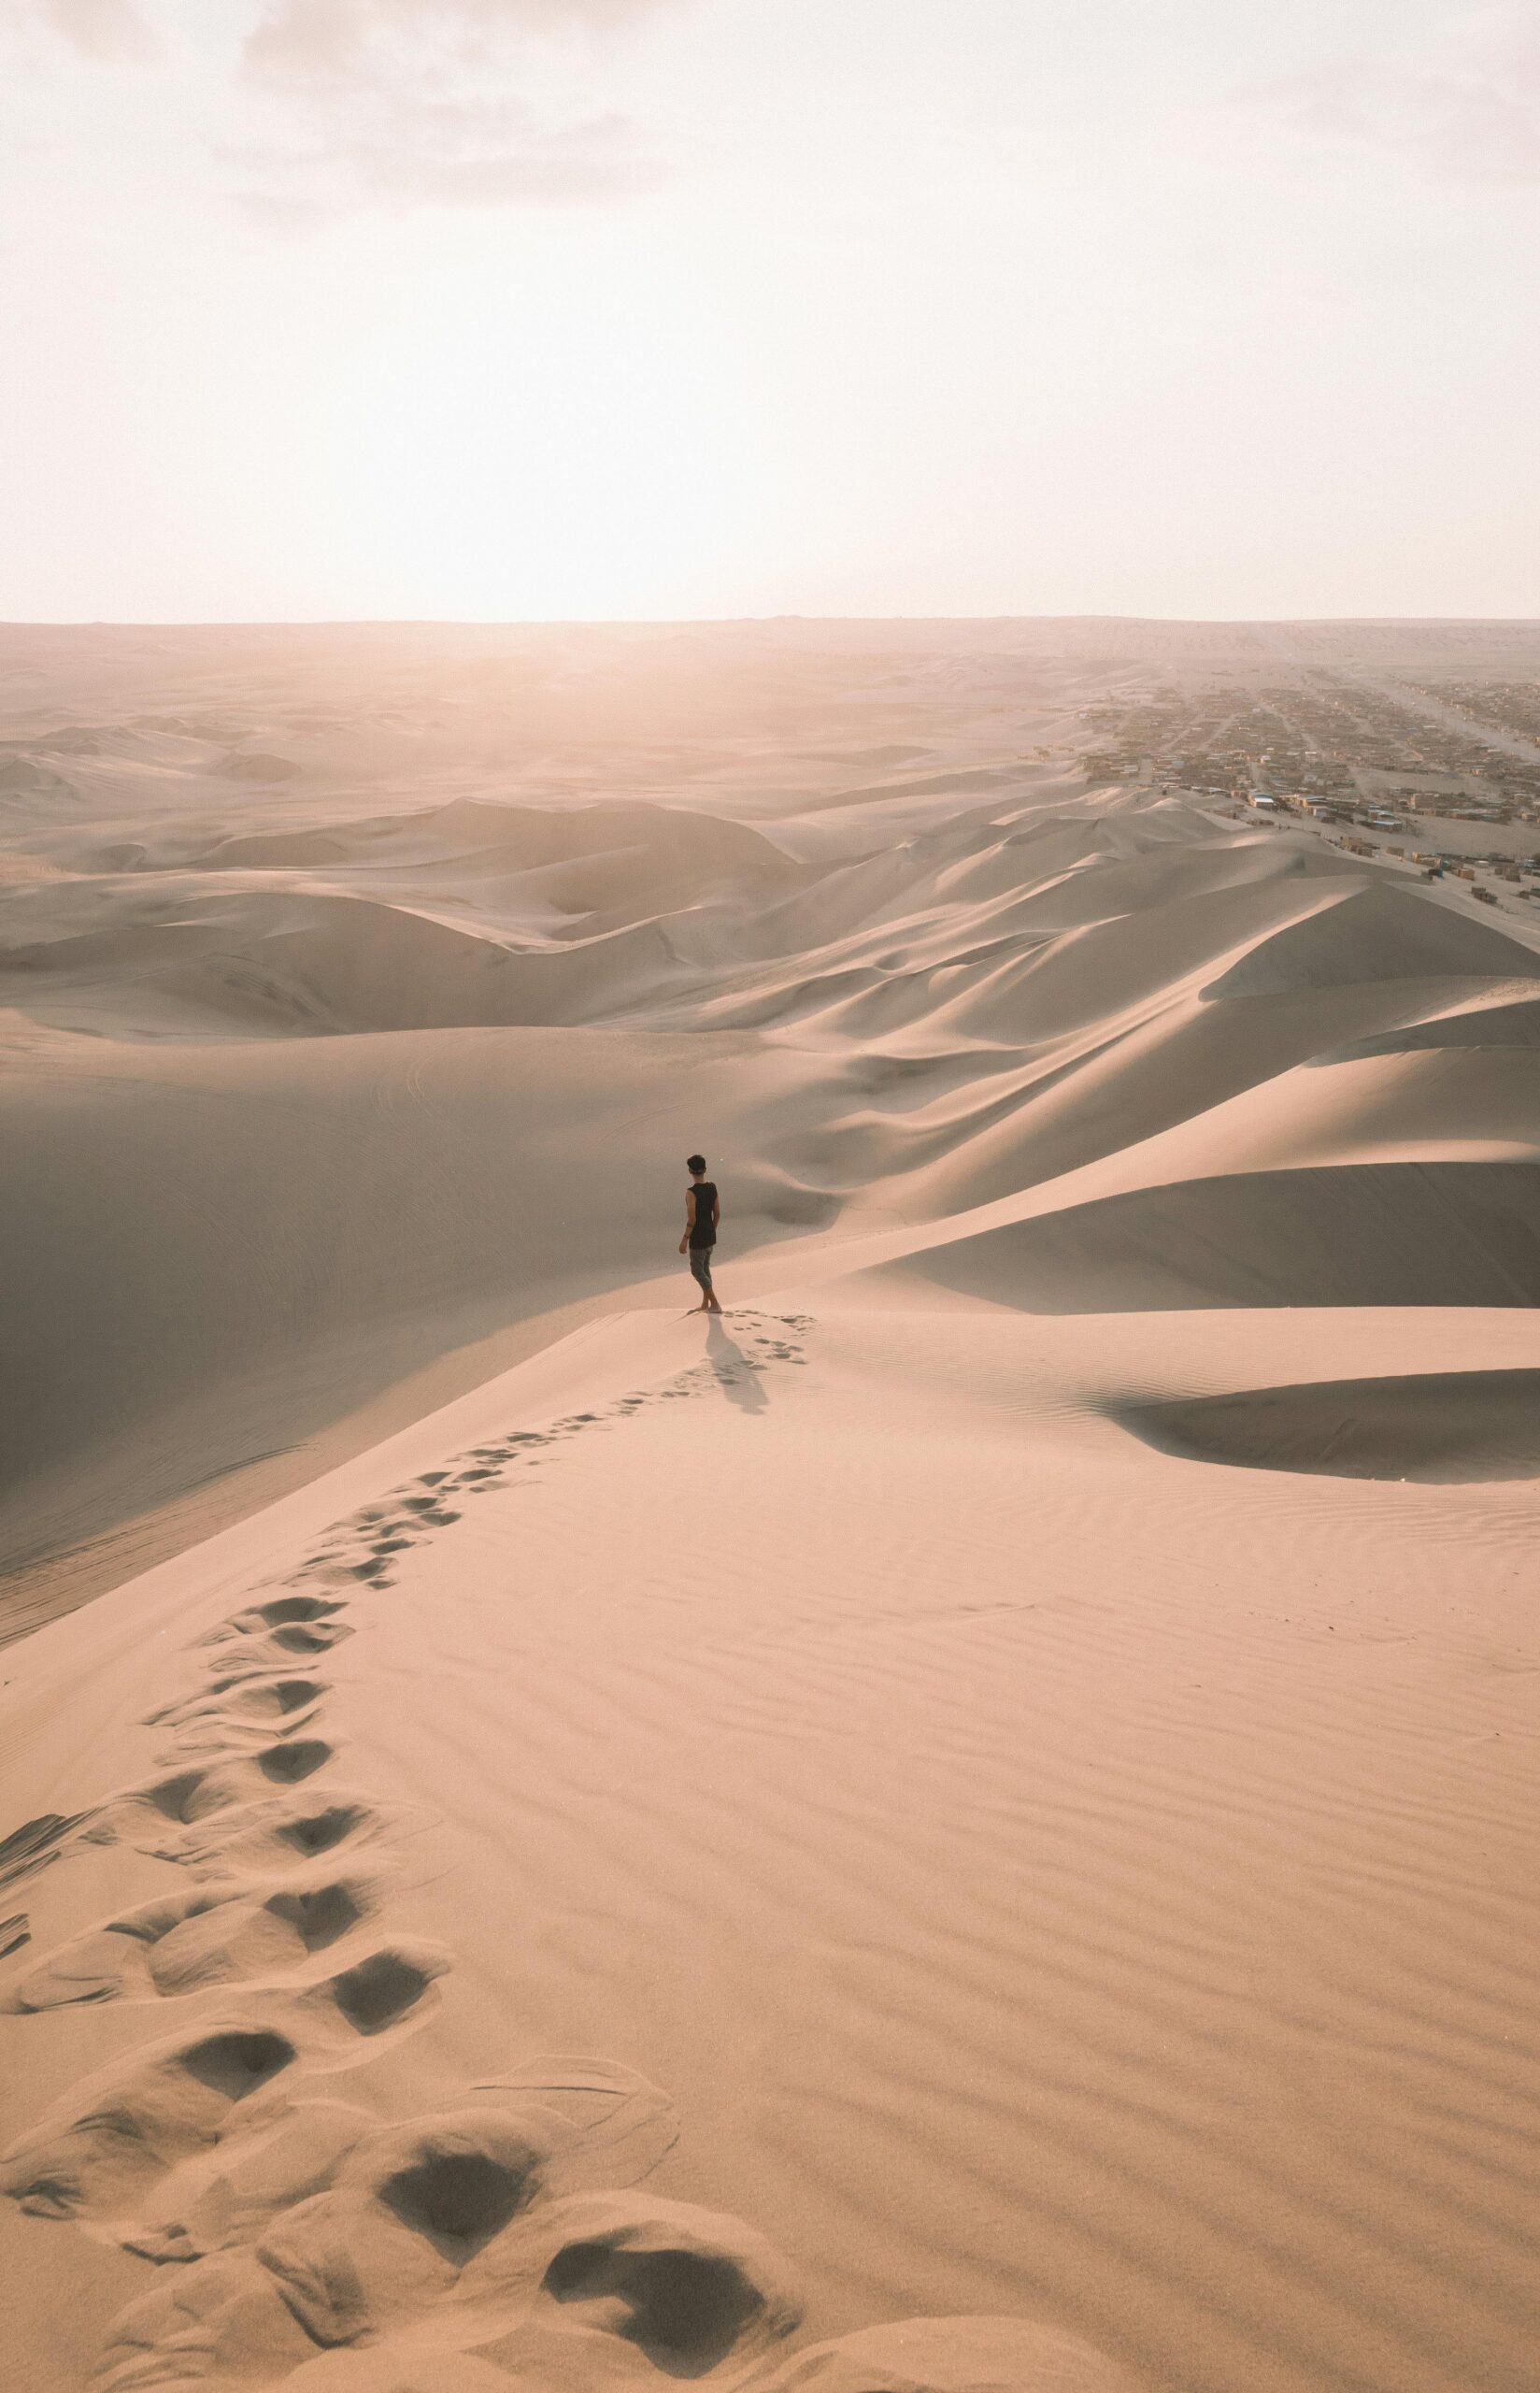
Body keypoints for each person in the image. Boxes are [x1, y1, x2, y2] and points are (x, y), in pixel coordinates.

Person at [679, 1154, 722, 1312]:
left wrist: (684, 1239)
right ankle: (706, 1304)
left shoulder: (691, 1193)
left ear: (690, 1170)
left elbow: (692, 1218)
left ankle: (715, 1304)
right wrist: (711, 1230)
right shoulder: (712, 1187)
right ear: (705, 1169)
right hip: (710, 1235)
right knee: (705, 1268)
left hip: (698, 1238)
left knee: (697, 1270)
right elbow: (717, 1214)